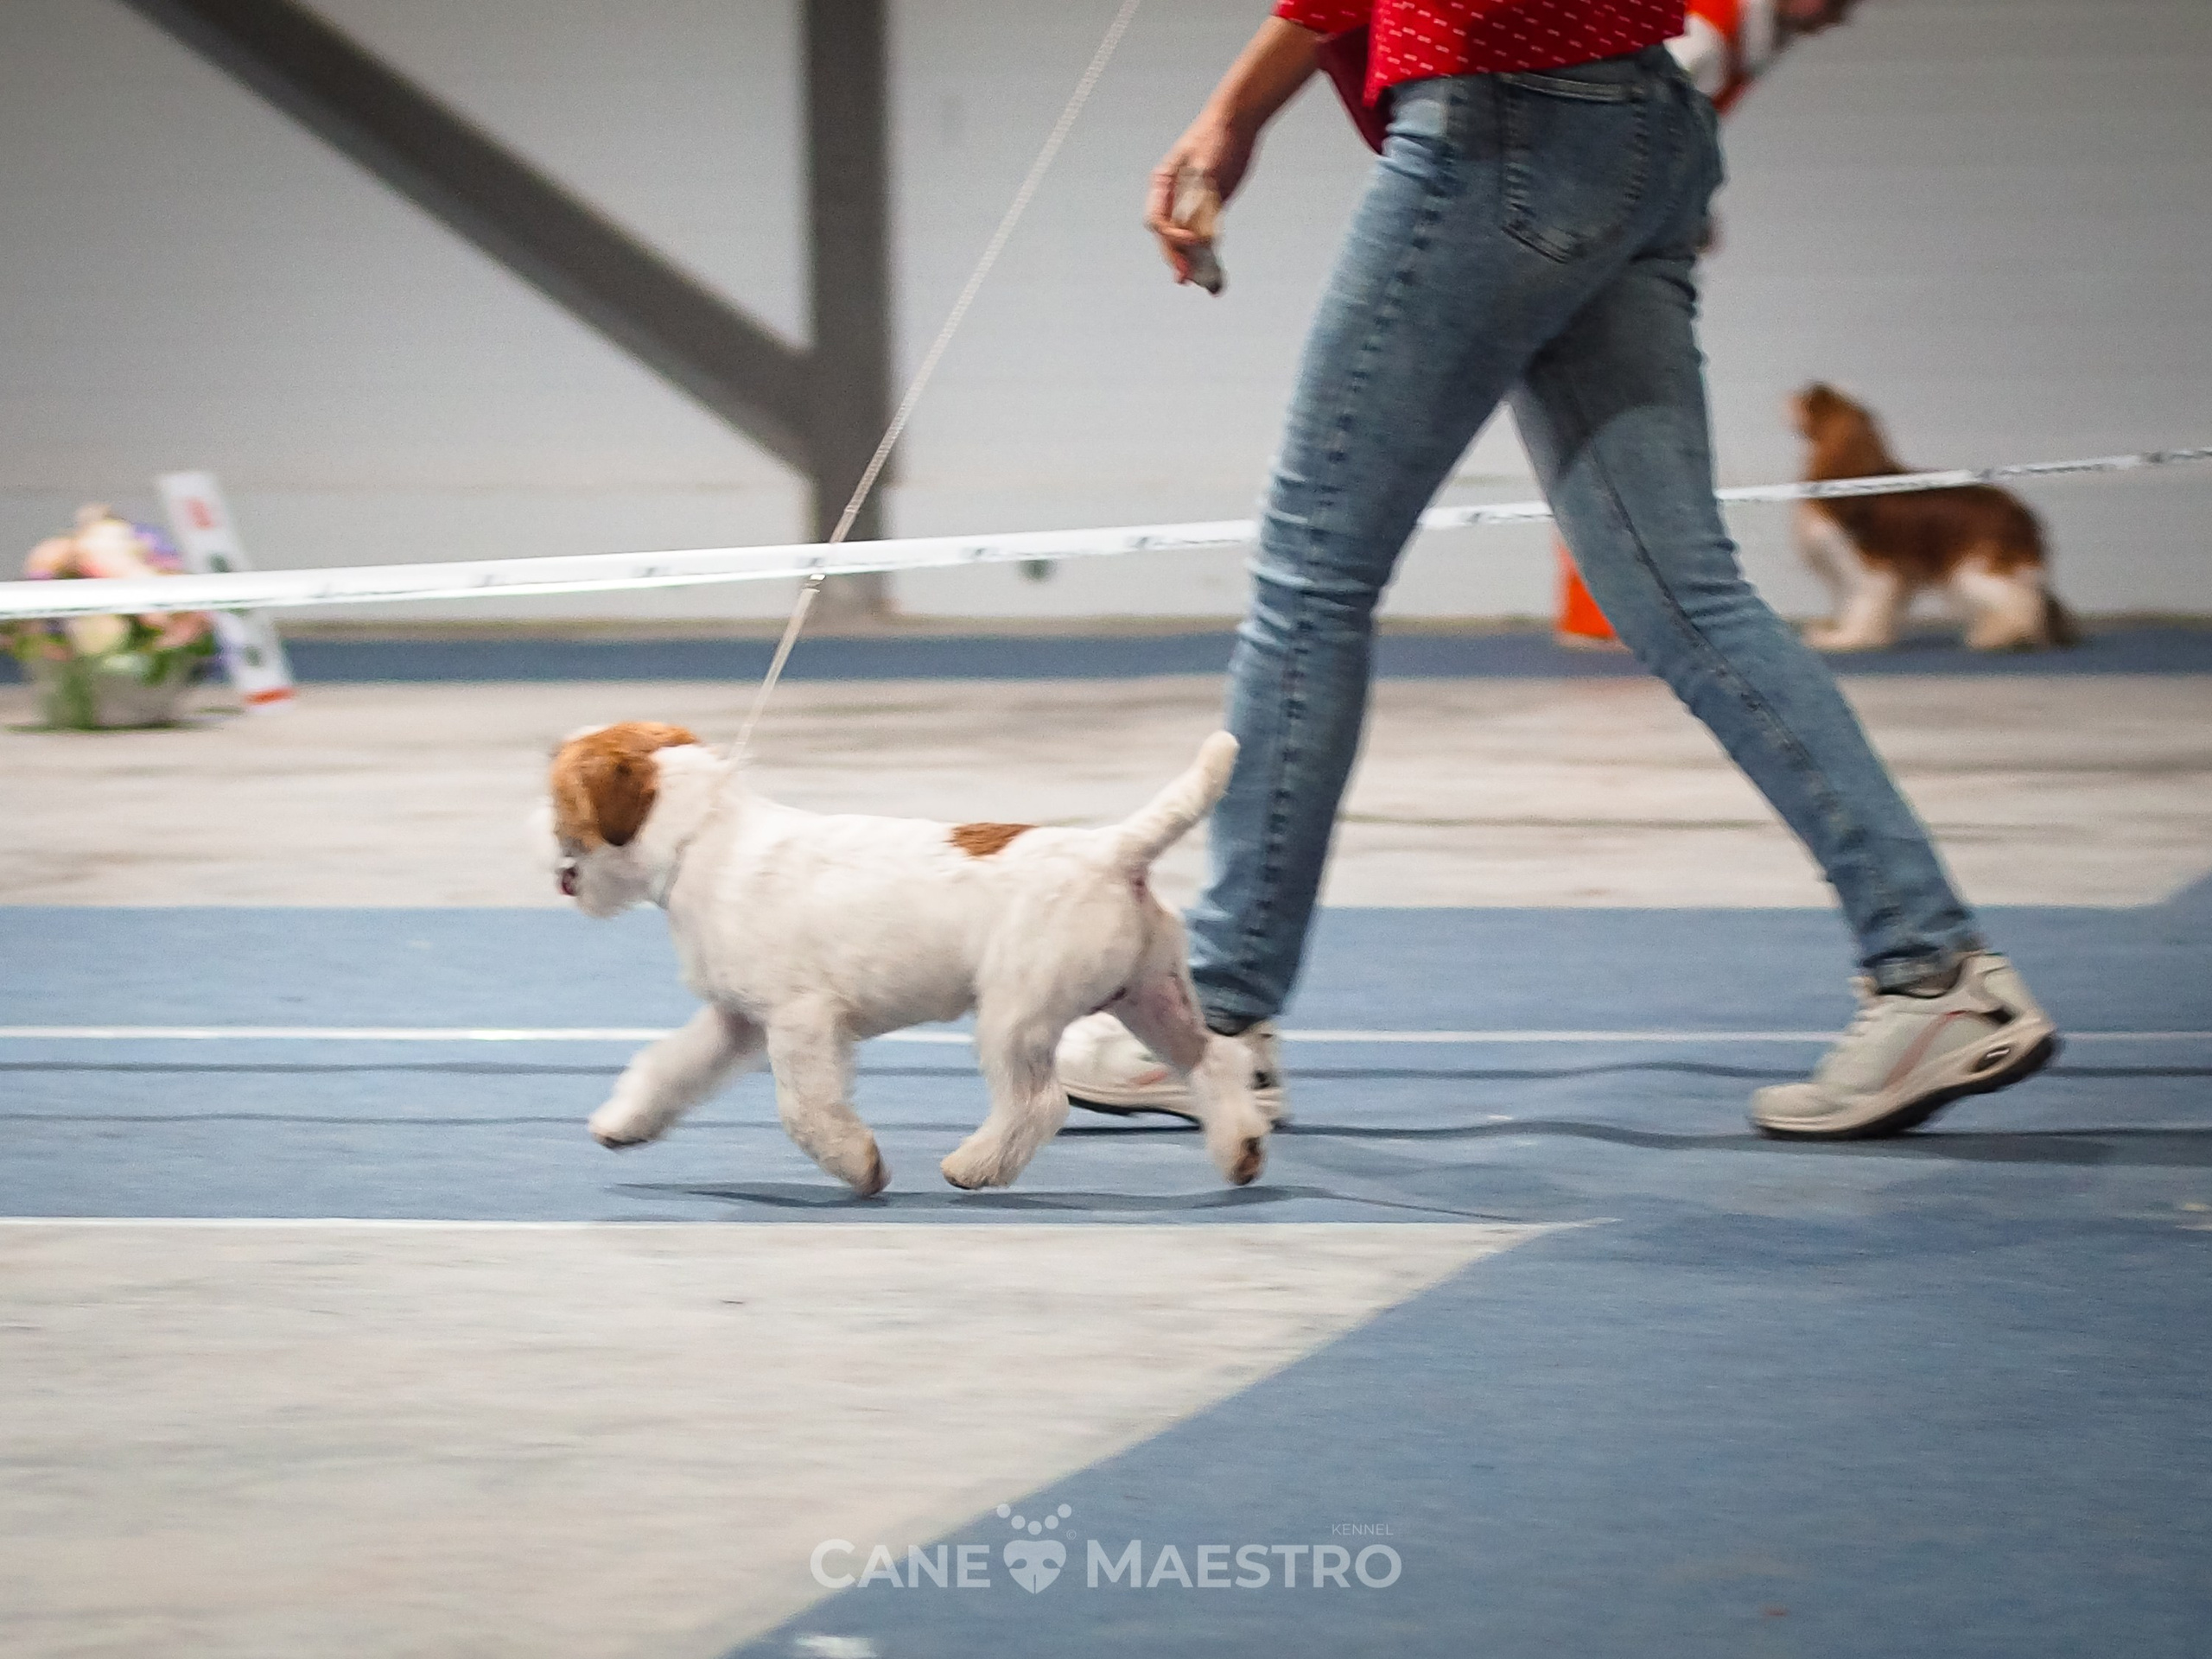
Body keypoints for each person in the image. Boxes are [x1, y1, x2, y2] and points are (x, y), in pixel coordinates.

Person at [1057, 1, 2060, 1141]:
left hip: (1502, 111)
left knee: (1311, 577)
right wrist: (1241, 110)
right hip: (1636, 109)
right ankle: (1934, 971)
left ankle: (1214, 1021)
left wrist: (1234, 112)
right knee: (1684, 593)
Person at [1556, 0, 1865, 645]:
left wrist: (1690, 202)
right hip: (1598, 239)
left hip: (1610, 232)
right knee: (1616, 418)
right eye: (1839, 1)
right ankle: (1620, 614)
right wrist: (1674, 205)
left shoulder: (1748, 37)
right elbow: (1606, 120)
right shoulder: (1706, 30)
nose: (1842, 19)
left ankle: (1612, 615)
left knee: (1609, 421)